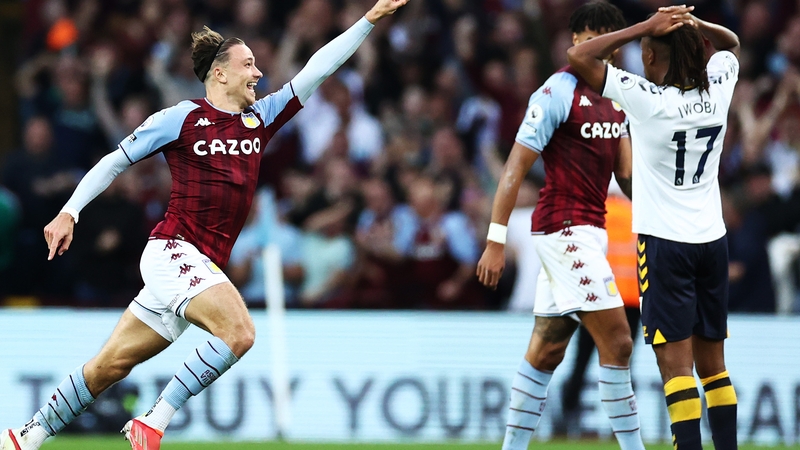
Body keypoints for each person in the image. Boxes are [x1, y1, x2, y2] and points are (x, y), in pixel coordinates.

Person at [0, 1, 410, 450]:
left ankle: (25, 436)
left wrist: (369, 20)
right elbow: (115, 162)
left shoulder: (263, 118)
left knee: (109, 367)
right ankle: (154, 420)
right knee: (240, 333)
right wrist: (70, 211)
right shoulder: (182, 118)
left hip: (196, 267)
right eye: (249, 64)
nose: (258, 72)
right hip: (172, 251)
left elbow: (319, 68)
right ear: (220, 73)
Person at [567, 5, 740, 449]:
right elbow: (731, 45)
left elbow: (581, 56)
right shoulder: (719, 89)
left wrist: (646, 25)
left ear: (648, 56)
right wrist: (695, 24)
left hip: (666, 245)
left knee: (677, 371)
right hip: (712, 241)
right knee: (715, 369)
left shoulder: (647, 100)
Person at [476, 3, 644, 449]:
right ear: (575, 42)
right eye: (593, 39)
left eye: (611, 41)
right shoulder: (556, 92)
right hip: (561, 228)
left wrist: (669, 209)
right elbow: (514, 167)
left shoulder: (620, 98)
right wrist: (495, 240)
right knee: (620, 341)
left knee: (548, 349)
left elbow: (625, 178)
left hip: (592, 230)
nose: (603, 51)